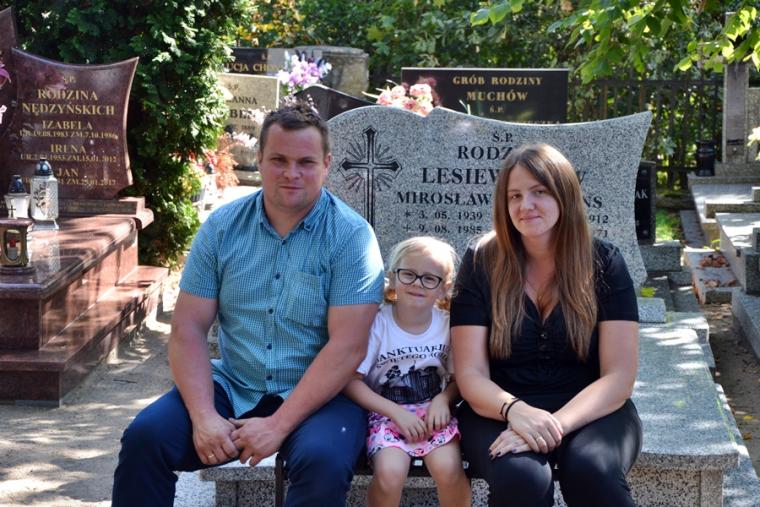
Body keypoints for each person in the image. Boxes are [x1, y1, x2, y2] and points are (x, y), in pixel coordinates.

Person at [112, 102, 386, 507]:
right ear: (258, 159)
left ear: (326, 164)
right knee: (145, 439)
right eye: (279, 160)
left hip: (321, 395)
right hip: (235, 384)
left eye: (306, 162)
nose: (291, 173)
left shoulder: (352, 238)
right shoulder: (221, 229)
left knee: (323, 462)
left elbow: (347, 346)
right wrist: (204, 417)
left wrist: (278, 425)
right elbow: (188, 328)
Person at [450, 143, 641, 506]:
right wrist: (517, 412)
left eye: (539, 192)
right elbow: (470, 374)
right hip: (497, 408)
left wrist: (553, 425)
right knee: (522, 476)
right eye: (515, 195)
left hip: (591, 409)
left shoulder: (605, 262)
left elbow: (619, 376)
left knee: (592, 469)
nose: (526, 205)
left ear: (564, 194)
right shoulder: (481, 261)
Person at [344, 236, 471, 507]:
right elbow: (351, 382)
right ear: (392, 278)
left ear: (444, 288)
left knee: (449, 469)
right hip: (384, 413)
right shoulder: (377, 323)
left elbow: (460, 378)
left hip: (433, 413)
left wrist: (444, 399)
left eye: (429, 278)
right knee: (390, 474)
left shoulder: (448, 324)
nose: (417, 283)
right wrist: (395, 412)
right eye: (409, 274)